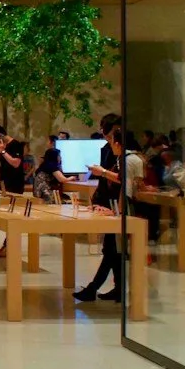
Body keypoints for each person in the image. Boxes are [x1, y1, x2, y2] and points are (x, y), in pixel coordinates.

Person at [74, 114, 130, 305]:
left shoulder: (127, 153)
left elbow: (122, 179)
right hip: (110, 203)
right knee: (112, 249)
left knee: (113, 249)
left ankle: (95, 288)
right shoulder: (108, 149)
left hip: (120, 205)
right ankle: (117, 288)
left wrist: (104, 173)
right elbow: (107, 179)